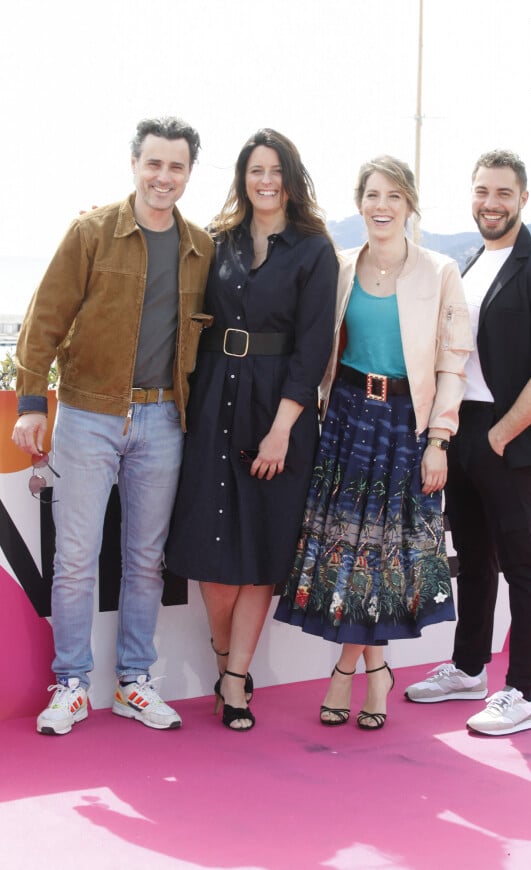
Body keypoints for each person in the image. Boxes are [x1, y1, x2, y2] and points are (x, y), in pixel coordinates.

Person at [12, 117, 213, 735]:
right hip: (88, 413)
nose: (164, 176)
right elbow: (44, 317)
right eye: (154, 163)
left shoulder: (200, 248)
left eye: (176, 166)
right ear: (134, 164)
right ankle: (71, 685)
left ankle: (134, 682)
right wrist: (29, 404)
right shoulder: (92, 231)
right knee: (74, 559)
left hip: (162, 420)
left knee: (145, 561)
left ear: (188, 174)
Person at [274, 155, 472, 730]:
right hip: (344, 419)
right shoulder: (337, 266)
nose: (381, 206)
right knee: (351, 553)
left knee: (385, 556)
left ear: (410, 205)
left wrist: (439, 438)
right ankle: (377, 672)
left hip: (406, 424)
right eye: (371, 196)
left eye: (393, 196)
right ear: (359, 203)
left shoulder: (439, 272)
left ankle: (346, 671)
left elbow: (453, 359)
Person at [165, 128, 338, 731]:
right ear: (243, 178)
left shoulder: (316, 250)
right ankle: (223, 661)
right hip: (215, 397)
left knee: (262, 550)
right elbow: (167, 265)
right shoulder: (217, 241)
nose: (265, 181)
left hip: (278, 408)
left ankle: (236, 679)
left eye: (275, 171)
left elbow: (315, 346)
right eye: (255, 171)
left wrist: (283, 429)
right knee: (211, 557)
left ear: (292, 178)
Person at [405, 150, 531, 735]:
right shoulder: (470, 264)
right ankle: (467, 668)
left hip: (510, 437)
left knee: (525, 566)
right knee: (475, 561)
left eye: (503, 193)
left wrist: (503, 434)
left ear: (523, 198)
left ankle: (523, 691)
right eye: (482, 191)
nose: (491, 203)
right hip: (462, 432)